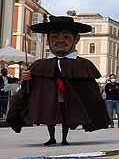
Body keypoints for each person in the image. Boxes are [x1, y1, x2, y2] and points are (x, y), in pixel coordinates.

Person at [7, 15, 111, 145]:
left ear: (76, 39)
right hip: (48, 99)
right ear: (48, 40)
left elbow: (91, 91)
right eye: (54, 37)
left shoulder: (84, 65)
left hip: (69, 100)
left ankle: (64, 138)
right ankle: (52, 137)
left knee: (66, 116)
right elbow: (28, 89)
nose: (60, 40)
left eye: (66, 37)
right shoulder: (39, 64)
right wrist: (26, 78)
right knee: (50, 116)